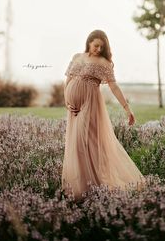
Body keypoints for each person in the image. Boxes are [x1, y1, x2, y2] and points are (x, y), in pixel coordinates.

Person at [61, 29, 146, 201]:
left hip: (90, 104)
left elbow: (114, 87)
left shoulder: (104, 63)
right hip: (73, 107)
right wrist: (67, 101)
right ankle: (80, 187)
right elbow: (68, 80)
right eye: (96, 45)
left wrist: (127, 108)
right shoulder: (77, 56)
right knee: (77, 144)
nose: (98, 49)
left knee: (80, 142)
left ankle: (95, 186)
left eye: (101, 47)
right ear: (89, 42)